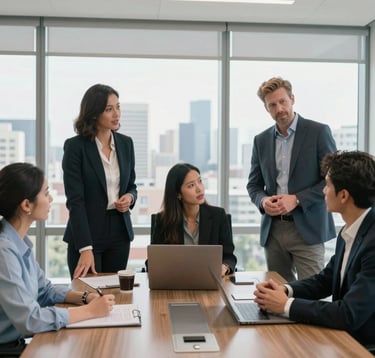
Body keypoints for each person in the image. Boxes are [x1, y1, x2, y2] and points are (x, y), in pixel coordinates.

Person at [254, 150, 375, 347]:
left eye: (327, 185)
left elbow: (347, 313)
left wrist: (285, 305)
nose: (323, 191)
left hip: (362, 347)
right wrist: (285, 290)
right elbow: (325, 280)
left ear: (343, 195)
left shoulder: (372, 241)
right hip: (345, 339)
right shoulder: (351, 230)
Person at [0, 163, 115, 356]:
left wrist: (86, 297)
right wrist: (91, 312)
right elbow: (30, 320)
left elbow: (44, 291)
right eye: (46, 193)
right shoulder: (4, 251)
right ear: (26, 205)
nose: (51, 199)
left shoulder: (19, 243)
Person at [247, 76, 337, 281]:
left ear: (292, 99)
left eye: (282, 102)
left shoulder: (318, 132)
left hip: (308, 228)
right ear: (266, 108)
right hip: (273, 231)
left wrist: (296, 199)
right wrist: (263, 200)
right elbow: (253, 185)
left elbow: (332, 179)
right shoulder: (260, 140)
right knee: (277, 296)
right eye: (272, 105)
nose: (279, 109)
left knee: (311, 296)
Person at [62, 84, 137, 279]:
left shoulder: (126, 143)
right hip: (87, 232)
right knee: (88, 297)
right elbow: (75, 201)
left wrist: (130, 197)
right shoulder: (75, 147)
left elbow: (132, 185)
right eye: (109, 109)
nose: (116, 114)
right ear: (94, 113)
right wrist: (85, 248)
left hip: (119, 232)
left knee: (115, 296)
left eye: (118, 107)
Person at [150, 163, 236, 276]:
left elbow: (229, 257)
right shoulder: (163, 220)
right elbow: (152, 262)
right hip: (175, 284)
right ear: (178, 194)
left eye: (200, 181)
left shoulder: (218, 216)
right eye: (191, 185)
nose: (199, 189)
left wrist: (224, 267)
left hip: (210, 282)